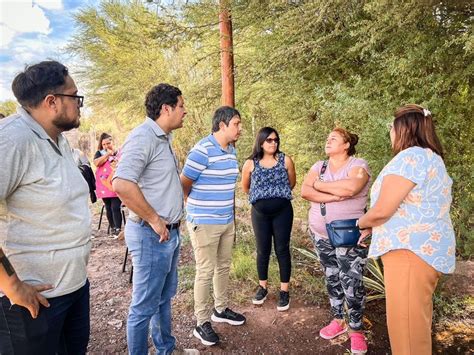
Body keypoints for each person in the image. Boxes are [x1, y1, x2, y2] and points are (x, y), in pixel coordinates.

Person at [0, 60, 91, 354]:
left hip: (73, 288)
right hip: (33, 302)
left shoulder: (59, 139)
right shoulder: (13, 139)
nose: (80, 105)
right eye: (75, 97)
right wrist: (12, 286)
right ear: (52, 102)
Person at [358, 104, 456, 355]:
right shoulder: (430, 158)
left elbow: (383, 209)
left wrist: (361, 223)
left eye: (391, 126)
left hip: (409, 253)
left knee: (407, 335)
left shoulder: (411, 157)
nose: (389, 131)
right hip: (420, 253)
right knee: (414, 329)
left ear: (404, 128)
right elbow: (411, 206)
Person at [112, 83, 186, 355]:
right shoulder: (143, 136)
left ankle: (166, 349)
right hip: (151, 234)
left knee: (163, 299)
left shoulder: (163, 138)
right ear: (166, 109)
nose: (185, 111)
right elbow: (121, 183)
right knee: (143, 307)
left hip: (169, 233)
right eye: (181, 106)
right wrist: (155, 219)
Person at [301, 127, 371, 354]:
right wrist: (334, 194)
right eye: (327, 138)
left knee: (351, 281)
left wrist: (320, 186)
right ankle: (338, 319)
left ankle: (357, 330)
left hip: (349, 234)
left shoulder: (358, 165)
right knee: (331, 276)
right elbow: (305, 191)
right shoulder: (318, 167)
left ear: (346, 145)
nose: (328, 141)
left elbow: (352, 187)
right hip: (320, 233)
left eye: (334, 139)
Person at [181, 106, 245, 346]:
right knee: (205, 271)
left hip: (226, 221)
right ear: (222, 125)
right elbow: (184, 182)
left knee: (223, 267)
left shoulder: (231, 151)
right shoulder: (202, 150)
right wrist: (196, 207)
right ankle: (201, 322)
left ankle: (220, 309)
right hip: (204, 222)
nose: (240, 129)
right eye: (236, 124)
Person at [241, 127, 296, 310]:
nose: (273, 143)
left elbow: (292, 182)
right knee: (262, 250)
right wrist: (262, 197)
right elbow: (246, 187)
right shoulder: (250, 163)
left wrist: (276, 196)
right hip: (260, 213)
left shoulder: (285, 160)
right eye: (269, 140)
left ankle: (284, 291)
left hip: (283, 212)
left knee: (282, 249)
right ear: (261, 142)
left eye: (276, 140)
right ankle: (262, 287)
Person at [94, 133, 122, 236]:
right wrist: (107, 154)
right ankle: (113, 228)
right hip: (104, 184)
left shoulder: (119, 153)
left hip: (115, 182)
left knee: (115, 206)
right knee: (108, 207)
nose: (106, 146)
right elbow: (96, 163)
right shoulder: (99, 153)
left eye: (108, 143)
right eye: (104, 144)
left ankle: (118, 228)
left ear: (112, 142)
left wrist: (113, 155)